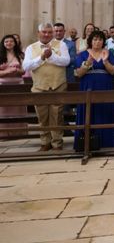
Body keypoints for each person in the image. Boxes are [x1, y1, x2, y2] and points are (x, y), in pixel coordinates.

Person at [22, 23, 71, 151]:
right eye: (44, 32)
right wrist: (41, 58)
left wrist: (52, 57)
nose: (47, 34)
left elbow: (66, 61)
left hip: (58, 84)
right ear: (39, 33)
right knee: (42, 117)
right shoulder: (30, 48)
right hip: (39, 86)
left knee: (57, 116)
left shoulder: (62, 45)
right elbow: (26, 66)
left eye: (49, 32)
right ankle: (45, 142)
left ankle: (57, 143)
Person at [74, 30, 114, 149]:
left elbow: (113, 71)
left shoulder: (108, 53)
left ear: (103, 41)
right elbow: (79, 73)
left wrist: (105, 61)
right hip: (88, 86)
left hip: (105, 86)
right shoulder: (82, 54)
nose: (97, 42)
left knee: (105, 112)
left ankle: (107, 143)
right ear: (90, 41)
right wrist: (87, 63)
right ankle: (87, 144)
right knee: (88, 113)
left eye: (100, 39)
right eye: (95, 39)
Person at [0, 34, 26, 137]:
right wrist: (7, 72)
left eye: (11, 41)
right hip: (3, 84)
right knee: (3, 109)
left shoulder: (20, 55)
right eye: (6, 41)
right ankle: (3, 134)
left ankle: (18, 133)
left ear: (15, 43)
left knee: (17, 108)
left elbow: (24, 70)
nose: (9, 43)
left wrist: (17, 70)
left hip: (18, 84)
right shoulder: (0, 55)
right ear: (3, 43)